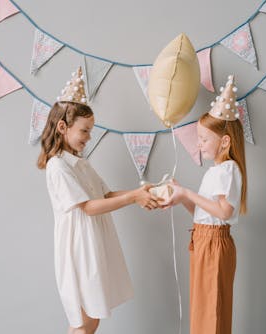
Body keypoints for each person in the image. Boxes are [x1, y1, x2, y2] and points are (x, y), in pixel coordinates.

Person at [37, 67, 161, 334]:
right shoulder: (58, 166)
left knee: (91, 320)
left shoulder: (80, 164)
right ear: (63, 127)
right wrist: (132, 198)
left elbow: (104, 196)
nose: (88, 138)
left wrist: (140, 192)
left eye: (90, 131)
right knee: (83, 321)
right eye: (84, 131)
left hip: (92, 244)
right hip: (78, 249)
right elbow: (89, 207)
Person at [161, 75, 248, 334]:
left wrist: (187, 192)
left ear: (224, 142)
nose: (199, 144)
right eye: (198, 138)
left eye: (204, 139)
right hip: (203, 239)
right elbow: (204, 214)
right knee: (202, 309)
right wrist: (182, 198)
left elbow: (224, 212)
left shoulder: (228, 169)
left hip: (213, 244)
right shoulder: (214, 171)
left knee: (213, 310)